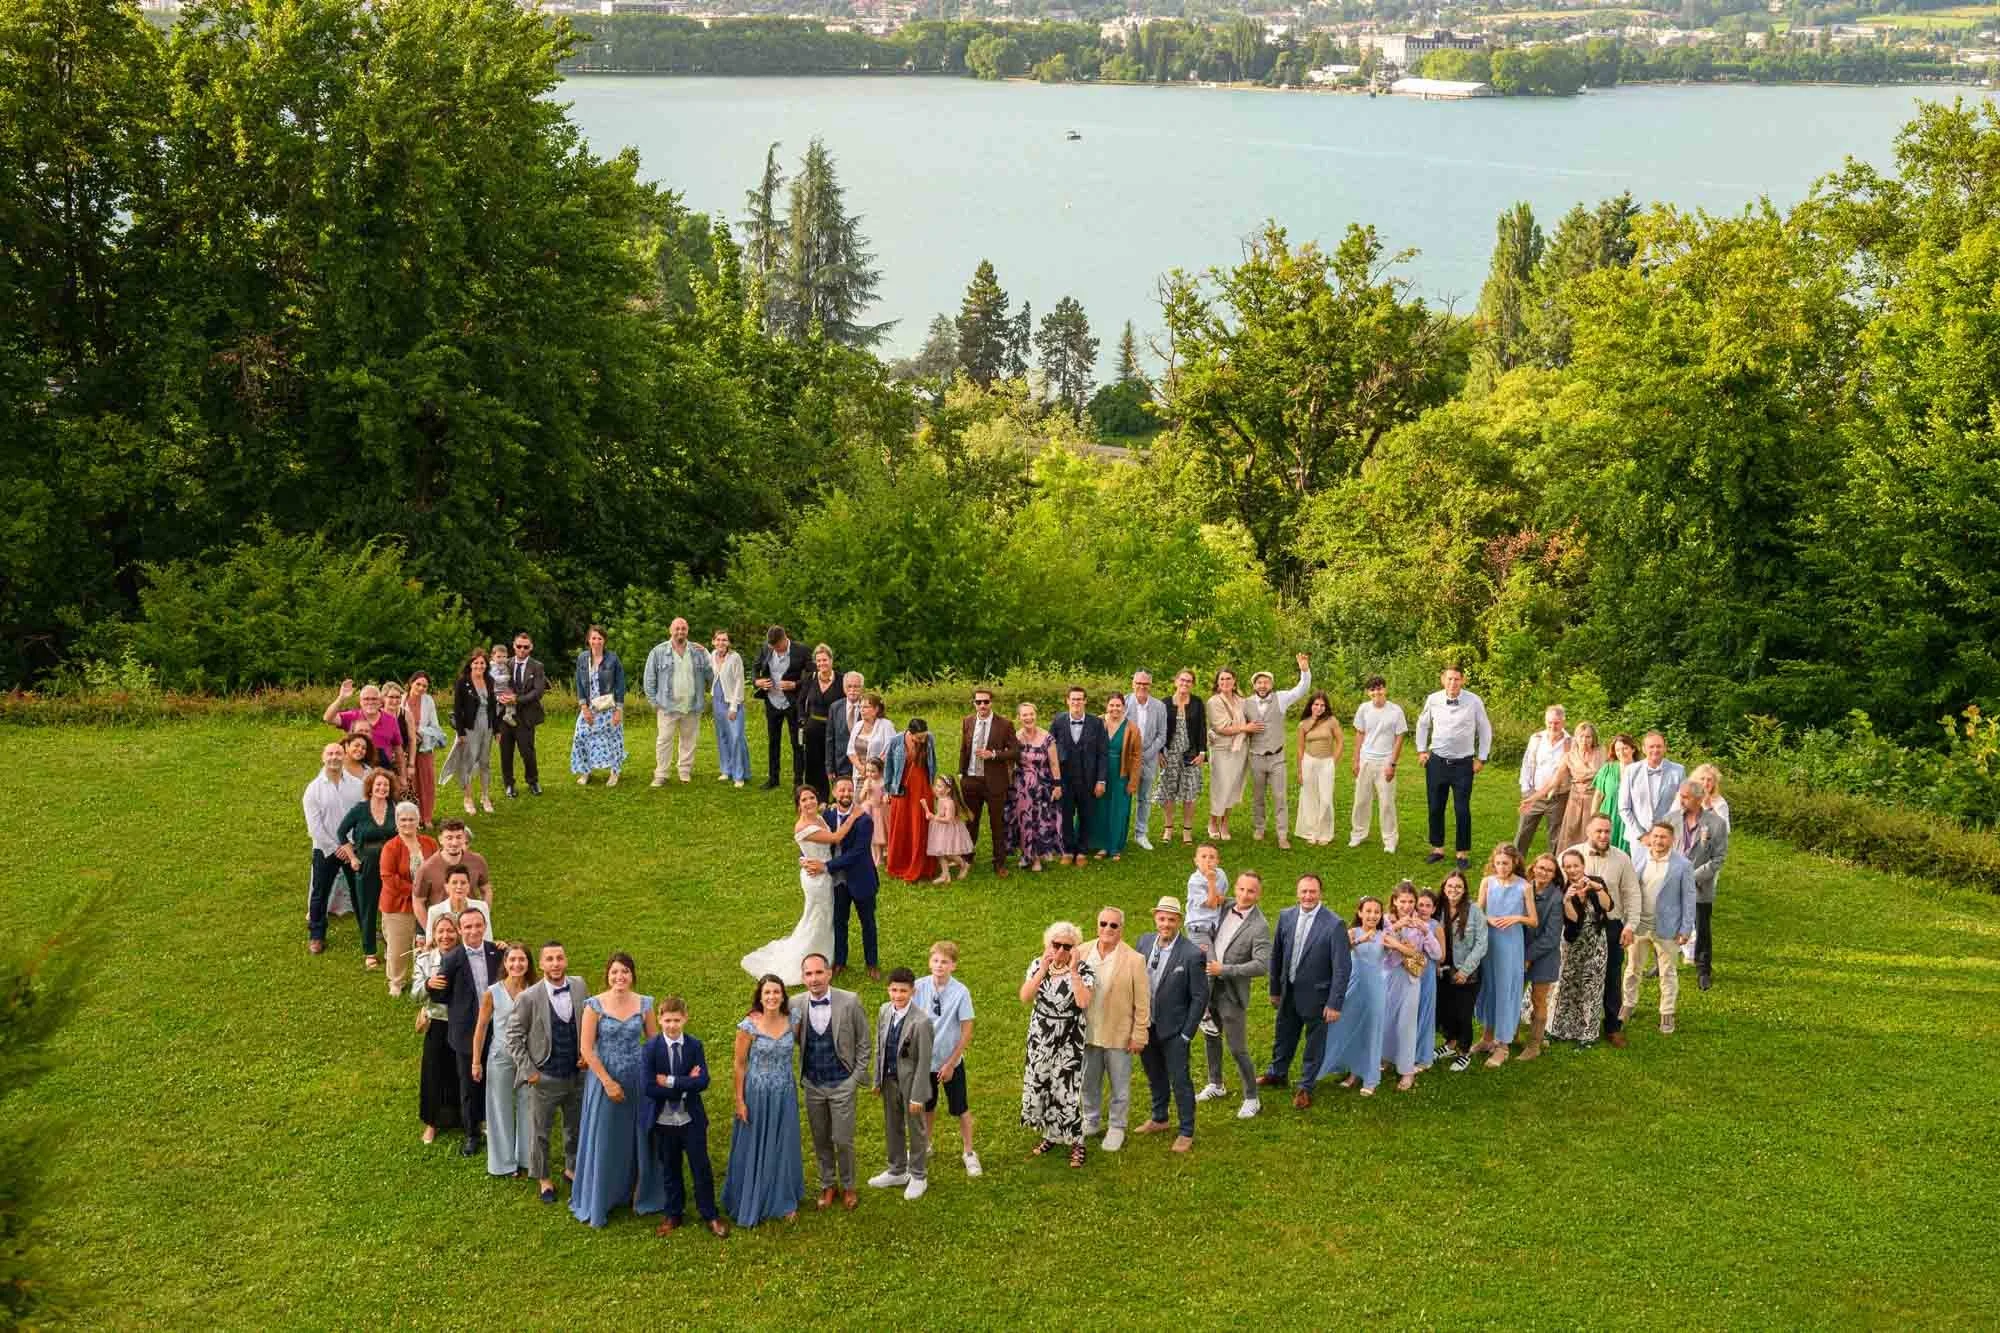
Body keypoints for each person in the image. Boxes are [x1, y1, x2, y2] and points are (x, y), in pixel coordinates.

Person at [570, 953, 665, 1227]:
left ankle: (638, 1190)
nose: (619, 977)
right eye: (614, 972)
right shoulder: (594, 1006)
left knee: (638, 1136)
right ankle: (603, 1196)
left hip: (637, 1081)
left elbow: (653, 1042)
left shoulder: (644, 1004)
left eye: (624, 972)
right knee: (606, 1136)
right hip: (604, 1082)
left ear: (632, 975)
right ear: (607, 976)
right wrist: (608, 1082)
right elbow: (586, 1049)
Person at [741, 787, 859, 986]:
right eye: (804, 800)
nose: (809, 802)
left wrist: (804, 858)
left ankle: (825, 955)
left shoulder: (819, 818)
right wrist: (853, 816)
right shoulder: (803, 827)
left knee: (825, 915)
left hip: (823, 871)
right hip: (816, 878)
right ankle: (812, 957)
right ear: (798, 805)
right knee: (817, 916)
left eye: (812, 797)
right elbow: (836, 838)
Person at [1258, 874, 1352, 1108]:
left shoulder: (1334, 924)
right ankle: (1277, 1073)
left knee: (1314, 1044)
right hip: (1288, 992)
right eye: (1304, 891)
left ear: (1320, 893)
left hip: (1318, 997)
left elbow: (1342, 968)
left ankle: (1306, 1087)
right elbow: (1276, 955)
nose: (1308, 896)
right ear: (1297, 892)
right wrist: (1275, 989)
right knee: (1283, 1036)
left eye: (1312, 892)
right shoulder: (1286, 916)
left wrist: (1335, 1003)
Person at [507, 941, 590, 1205]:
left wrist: (587, 1055)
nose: (555, 963)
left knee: (574, 1127)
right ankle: (544, 1179)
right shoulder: (528, 997)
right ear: (541, 964)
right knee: (540, 1131)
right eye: (550, 959)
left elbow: (589, 1023)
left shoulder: (579, 986)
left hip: (576, 1075)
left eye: (559, 958)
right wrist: (530, 1071)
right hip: (545, 1076)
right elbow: (513, 1036)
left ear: (566, 961)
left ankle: (572, 1169)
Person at [722, 975, 806, 1227]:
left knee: (783, 1142)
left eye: (776, 992)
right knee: (756, 1144)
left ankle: (783, 1198)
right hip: (757, 1094)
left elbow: (802, 1048)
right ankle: (753, 1195)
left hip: (784, 1092)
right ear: (760, 996)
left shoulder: (793, 1021)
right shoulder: (748, 1025)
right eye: (767, 992)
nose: (771, 997)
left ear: (783, 995)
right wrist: (739, 1100)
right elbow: (739, 1064)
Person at [791, 953, 870, 1211]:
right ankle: (828, 1184)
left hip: (842, 1082)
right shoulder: (795, 1004)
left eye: (818, 973)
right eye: (808, 974)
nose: (814, 979)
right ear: (803, 977)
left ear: (829, 973)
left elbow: (864, 1043)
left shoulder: (850, 1001)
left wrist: (855, 1077)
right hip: (813, 1084)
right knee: (820, 1136)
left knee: (843, 1138)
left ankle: (848, 1185)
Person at [642, 995, 727, 1237]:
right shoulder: (650, 1048)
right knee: (670, 1168)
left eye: (677, 1020)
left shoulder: (694, 1045)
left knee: (701, 1166)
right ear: (659, 1019)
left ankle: (709, 1214)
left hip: (691, 1119)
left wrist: (670, 1080)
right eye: (667, 1020)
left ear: (685, 1019)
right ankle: (673, 1213)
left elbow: (703, 1082)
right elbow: (649, 1087)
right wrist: (686, 1081)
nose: (672, 1025)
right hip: (664, 1120)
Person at [1131, 897, 1208, 1152]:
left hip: (1175, 1030)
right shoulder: (1143, 942)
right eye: (1162, 919)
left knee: (1180, 1080)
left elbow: (1200, 997)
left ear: (1179, 922)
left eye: (1171, 920)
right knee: (1154, 1075)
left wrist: (1187, 1033)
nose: (1166, 924)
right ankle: (1159, 1118)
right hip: (1147, 1025)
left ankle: (1187, 1130)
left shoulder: (1192, 954)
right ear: (1156, 918)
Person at [1019, 921, 1095, 1168]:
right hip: (1041, 1037)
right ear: (1048, 944)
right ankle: (1051, 1135)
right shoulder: (1037, 966)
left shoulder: (1084, 971)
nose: (1061, 950)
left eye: (1067, 946)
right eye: (1056, 944)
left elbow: (1084, 1002)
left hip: (1069, 1038)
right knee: (1042, 1084)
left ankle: (1077, 1143)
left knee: (1066, 1090)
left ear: (1075, 949)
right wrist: (1042, 970)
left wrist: (1072, 971)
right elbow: (1025, 996)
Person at [1197, 872, 1271, 1118]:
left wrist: (1225, 970)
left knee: (1238, 1048)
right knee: (1210, 1035)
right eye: (1241, 889)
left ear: (1258, 895)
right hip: (1209, 986)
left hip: (1231, 993)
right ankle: (1216, 1084)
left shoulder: (1259, 926)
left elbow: (1262, 965)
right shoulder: (1225, 905)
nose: (1244, 895)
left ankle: (1252, 1097)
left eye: (1250, 891)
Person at [432, 905, 504, 1156]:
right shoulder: (452, 959)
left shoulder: (497, 952)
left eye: (478, 925)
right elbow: (440, 994)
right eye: (468, 926)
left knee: (495, 1080)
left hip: (496, 1028)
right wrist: (432, 985)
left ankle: (495, 1125)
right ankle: (471, 1134)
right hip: (465, 1031)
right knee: (469, 1085)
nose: (474, 930)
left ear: (484, 926)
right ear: (461, 930)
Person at [1076, 907, 1147, 1153]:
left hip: (1119, 1034)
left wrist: (1139, 1034)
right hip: (1087, 1032)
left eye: (1113, 926)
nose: (1107, 929)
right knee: (1087, 1081)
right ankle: (1091, 1120)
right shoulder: (1081, 952)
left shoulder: (1134, 960)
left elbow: (1143, 1002)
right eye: (1103, 923)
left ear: (1121, 929)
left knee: (1120, 1085)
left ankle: (1117, 1126)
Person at [1568, 813, 1642, 1049]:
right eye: (1598, 831)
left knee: (1611, 975)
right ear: (1588, 831)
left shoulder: (1621, 859)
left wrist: (1630, 926)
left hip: (1611, 924)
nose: (1603, 835)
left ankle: (1612, 1026)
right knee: (1576, 972)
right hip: (1579, 924)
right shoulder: (1571, 855)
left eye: (1607, 831)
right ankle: (1575, 1022)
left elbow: (1632, 893)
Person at [1415, 664, 1493, 870]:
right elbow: (1423, 724)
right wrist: (1421, 750)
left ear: (1463, 680)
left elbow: (1485, 729)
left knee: (1462, 809)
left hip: (1463, 765)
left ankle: (1462, 853)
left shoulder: (1474, 701)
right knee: (1435, 807)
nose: (1453, 683)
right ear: (1443, 680)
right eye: (1449, 678)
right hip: (1437, 762)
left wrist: (1482, 758)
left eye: (1457, 679)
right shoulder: (1433, 699)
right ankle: (1437, 848)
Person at [913, 941, 980, 1178]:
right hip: (925, 1062)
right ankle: (926, 1144)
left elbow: (967, 1031)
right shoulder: (918, 987)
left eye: (945, 962)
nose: (939, 966)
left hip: (951, 1062)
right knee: (927, 1107)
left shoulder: (961, 992)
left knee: (960, 1108)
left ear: (954, 966)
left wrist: (951, 1063)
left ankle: (969, 1152)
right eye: (935, 961)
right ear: (930, 962)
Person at [1623, 822, 1697, 1034]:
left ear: (1672, 840)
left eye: (1663, 837)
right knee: (1632, 969)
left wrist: (1685, 929)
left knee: (1667, 972)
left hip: (1667, 928)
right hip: (1640, 925)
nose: (1658, 841)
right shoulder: (1639, 859)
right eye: (1655, 836)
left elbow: (1689, 899)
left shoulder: (1682, 865)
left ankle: (1667, 1013)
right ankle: (1628, 1004)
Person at [867, 967, 935, 1200]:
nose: (898, 995)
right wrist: (877, 1079)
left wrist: (918, 1096)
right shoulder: (884, 1011)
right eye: (894, 990)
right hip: (889, 1081)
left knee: (916, 1129)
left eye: (903, 991)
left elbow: (924, 1061)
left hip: (911, 1085)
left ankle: (918, 1175)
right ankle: (897, 1169)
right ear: (888, 990)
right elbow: (880, 1047)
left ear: (912, 991)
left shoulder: (922, 1021)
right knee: (892, 1125)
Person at [471, 942, 536, 1178]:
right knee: (499, 1107)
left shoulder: (535, 989)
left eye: (522, 960)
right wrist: (476, 1062)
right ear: (505, 963)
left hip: (529, 1058)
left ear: (528, 963)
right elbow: (481, 1028)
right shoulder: (493, 992)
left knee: (528, 1105)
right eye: (512, 960)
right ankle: (503, 1163)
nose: (517, 964)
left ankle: (527, 1158)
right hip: (500, 1056)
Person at [1315, 896, 1387, 1095]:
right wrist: (1358, 940)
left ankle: (1371, 1078)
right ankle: (1353, 1072)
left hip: (1375, 989)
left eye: (1377, 912)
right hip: (1352, 987)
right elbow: (1337, 954)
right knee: (1347, 1027)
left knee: (1371, 1031)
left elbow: (1409, 953)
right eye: (1369, 911)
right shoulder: (1351, 932)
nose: (1372, 915)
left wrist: (1399, 946)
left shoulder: (1384, 935)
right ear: (1360, 912)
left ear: (1381, 915)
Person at [1240, 655, 1313, 849]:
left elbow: (1302, 689)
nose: (1262, 685)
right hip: (1256, 756)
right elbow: (1236, 724)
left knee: (1280, 797)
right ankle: (1259, 827)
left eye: (1266, 682)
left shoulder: (1281, 698)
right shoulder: (1245, 703)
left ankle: (1282, 834)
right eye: (1259, 682)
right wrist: (1247, 727)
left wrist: (1304, 670)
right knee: (1258, 796)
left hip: (1277, 757)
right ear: (1254, 685)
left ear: (1271, 684)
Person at [1473, 843, 1533, 1067]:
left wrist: (1516, 918)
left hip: (1510, 944)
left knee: (1506, 989)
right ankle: (1487, 1038)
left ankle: (1504, 1045)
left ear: (1515, 862)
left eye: (1505, 863)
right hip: (1490, 942)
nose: (1501, 867)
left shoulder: (1524, 887)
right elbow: (1478, 910)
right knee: (1489, 987)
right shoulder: (1487, 883)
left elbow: (1533, 920)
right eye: (1497, 863)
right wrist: (1487, 919)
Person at [1377, 883, 1441, 1091]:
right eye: (1402, 901)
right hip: (1387, 979)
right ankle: (1385, 1058)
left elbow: (1437, 954)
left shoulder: (1421, 924)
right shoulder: (1385, 920)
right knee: (1386, 1021)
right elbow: (1375, 947)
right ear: (1394, 901)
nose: (1406, 905)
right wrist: (1394, 928)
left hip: (1410, 981)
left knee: (1406, 1025)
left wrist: (1426, 933)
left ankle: (1406, 1071)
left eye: (1411, 901)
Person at [304, 741, 364, 958]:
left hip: (353, 848)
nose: (334, 757)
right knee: (320, 893)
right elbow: (314, 828)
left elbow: (361, 818)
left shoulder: (357, 786)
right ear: (323, 757)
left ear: (344, 756)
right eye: (330, 753)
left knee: (360, 892)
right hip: (326, 850)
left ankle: (366, 929)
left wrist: (351, 847)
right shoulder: (313, 790)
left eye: (338, 753)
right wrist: (338, 847)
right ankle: (317, 935)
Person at [1547, 855, 1615, 1047]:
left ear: (1583, 866)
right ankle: (1558, 1029)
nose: (1572, 870)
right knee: (1565, 985)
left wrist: (1597, 888)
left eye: (1575, 866)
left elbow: (1608, 906)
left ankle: (1588, 1034)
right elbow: (1574, 920)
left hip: (1596, 944)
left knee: (1592, 987)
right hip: (1572, 944)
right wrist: (1567, 901)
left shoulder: (1597, 882)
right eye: (1567, 867)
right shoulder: (1561, 888)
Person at [336, 772, 396, 979]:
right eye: (378, 785)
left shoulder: (395, 808)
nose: (382, 788)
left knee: (391, 906)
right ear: (371, 787)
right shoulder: (360, 810)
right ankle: (369, 951)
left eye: (386, 785)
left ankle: (391, 946)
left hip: (391, 864)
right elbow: (341, 833)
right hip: (367, 864)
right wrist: (352, 857)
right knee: (368, 906)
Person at [643, 617, 712, 787]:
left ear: (687, 631)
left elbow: (711, 676)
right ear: (670, 630)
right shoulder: (658, 652)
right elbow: (649, 679)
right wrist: (654, 702)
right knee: (664, 740)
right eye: (677, 628)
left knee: (689, 740)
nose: (680, 632)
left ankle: (684, 771)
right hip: (667, 706)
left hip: (691, 704)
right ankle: (661, 774)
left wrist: (708, 654)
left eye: (684, 629)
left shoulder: (698, 651)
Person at [377, 799, 436, 996]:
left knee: (424, 941)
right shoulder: (390, 847)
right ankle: (396, 981)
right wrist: (416, 891)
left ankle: (421, 978)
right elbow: (388, 877)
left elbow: (437, 868)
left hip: (427, 903)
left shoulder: (430, 843)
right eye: (403, 820)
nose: (407, 824)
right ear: (397, 822)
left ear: (418, 821)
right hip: (398, 904)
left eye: (411, 819)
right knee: (398, 945)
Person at [413, 914, 462, 1145]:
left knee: (462, 1071)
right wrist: (427, 985)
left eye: (450, 931)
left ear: (458, 933)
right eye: (440, 931)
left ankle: (466, 1117)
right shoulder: (424, 959)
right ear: (433, 933)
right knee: (433, 1073)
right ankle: (431, 1123)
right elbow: (414, 996)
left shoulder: (467, 957)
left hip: (462, 1022)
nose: (446, 936)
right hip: (437, 1023)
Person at [957, 687, 1018, 876]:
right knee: (971, 822)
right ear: (974, 703)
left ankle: (999, 862)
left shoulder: (1005, 724)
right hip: (971, 780)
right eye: (978, 702)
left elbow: (1015, 751)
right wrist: (962, 773)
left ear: (992, 703)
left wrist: (993, 754)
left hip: (995, 782)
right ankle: (967, 857)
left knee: (997, 823)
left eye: (986, 702)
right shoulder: (968, 721)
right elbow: (964, 749)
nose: (982, 705)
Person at [824, 777, 879, 981]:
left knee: (868, 923)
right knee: (839, 921)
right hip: (837, 881)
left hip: (861, 879)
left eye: (849, 790)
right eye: (842, 790)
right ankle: (840, 961)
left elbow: (857, 853)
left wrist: (827, 866)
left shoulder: (864, 820)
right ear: (834, 792)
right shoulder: (827, 815)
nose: (846, 794)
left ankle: (872, 963)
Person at [1678, 779, 1730, 990]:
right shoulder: (1672, 820)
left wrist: (1691, 877)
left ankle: (1703, 969)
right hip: (1672, 882)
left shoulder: (1717, 824)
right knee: (1667, 923)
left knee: (1702, 926)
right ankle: (1661, 963)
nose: (1681, 801)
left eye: (1685, 797)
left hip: (1701, 885)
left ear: (1699, 799)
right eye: (1680, 796)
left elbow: (1718, 859)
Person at [1048, 685, 1109, 866]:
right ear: (1067, 701)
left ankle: (1082, 850)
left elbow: (1103, 754)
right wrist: (1054, 780)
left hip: (1088, 779)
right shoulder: (1058, 721)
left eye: (1079, 699)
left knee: (1086, 815)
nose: (1076, 702)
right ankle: (1067, 850)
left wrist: (1101, 780)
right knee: (1066, 815)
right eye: (1073, 699)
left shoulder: (1096, 723)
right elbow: (1050, 749)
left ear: (1085, 701)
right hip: (1065, 777)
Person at [1078, 693, 1140, 861]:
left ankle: (1114, 846)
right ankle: (1099, 844)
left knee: (1117, 811)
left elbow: (1136, 756)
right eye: (1112, 705)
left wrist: (1133, 782)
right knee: (1099, 809)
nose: (1115, 708)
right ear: (1107, 706)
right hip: (1099, 773)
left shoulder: (1131, 728)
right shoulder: (1097, 722)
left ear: (1123, 707)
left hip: (1121, 775)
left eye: (1118, 705)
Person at [1349, 676, 1407, 852]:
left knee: (1387, 802)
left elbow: (1399, 738)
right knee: (1361, 800)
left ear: (1385, 690)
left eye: (1380, 689)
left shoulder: (1396, 711)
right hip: (1366, 760)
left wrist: (1392, 764)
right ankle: (1358, 834)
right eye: (1373, 690)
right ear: (1368, 692)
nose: (1377, 692)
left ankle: (1390, 840)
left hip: (1385, 761)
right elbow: (1360, 734)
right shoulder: (1364, 709)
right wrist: (1356, 759)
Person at [1437, 870, 1487, 1071]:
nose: (1453, 890)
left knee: (1463, 1013)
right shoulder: (1438, 909)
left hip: (1467, 971)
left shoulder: (1474, 910)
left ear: (1464, 889)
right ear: (1444, 887)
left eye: (1458, 886)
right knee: (1446, 1010)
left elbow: (1482, 943)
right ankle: (1450, 1044)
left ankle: (1464, 1052)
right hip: (1443, 969)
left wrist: (1465, 971)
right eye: (1450, 886)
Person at [1518, 852, 1566, 1061]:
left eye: (1549, 870)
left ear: (1554, 875)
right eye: (1541, 867)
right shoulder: (1523, 888)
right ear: (1533, 868)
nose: (1543, 872)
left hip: (1544, 956)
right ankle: (1512, 1035)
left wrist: (1528, 957)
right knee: (1513, 995)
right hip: (1519, 951)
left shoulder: (1556, 898)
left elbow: (1552, 937)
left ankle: (1534, 1044)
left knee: (1539, 999)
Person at [410, 819, 491, 942]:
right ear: (440, 839)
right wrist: (432, 931)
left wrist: (482, 916)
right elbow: (418, 902)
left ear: (464, 838)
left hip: (470, 930)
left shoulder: (477, 861)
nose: (454, 842)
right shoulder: (427, 868)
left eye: (459, 837)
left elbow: (486, 890)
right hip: (445, 935)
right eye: (449, 838)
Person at [1006, 702, 1064, 873]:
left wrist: (1057, 785)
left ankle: (1037, 858)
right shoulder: (1015, 738)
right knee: (1023, 821)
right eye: (1024, 715)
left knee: (1039, 821)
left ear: (1036, 715)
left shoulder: (1047, 738)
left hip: (1042, 785)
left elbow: (1054, 764)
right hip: (1021, 787)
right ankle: (1025, 855)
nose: (1028, 718)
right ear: (1019, 718)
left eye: (1031, 714)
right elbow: (1010, 764)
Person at [443, 648, 500, 816]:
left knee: (484, 762)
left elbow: (492, 707)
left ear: (486, 665)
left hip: (487, 726)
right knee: (468, 762)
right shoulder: (463, 682)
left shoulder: (490, 680)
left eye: (482, 663)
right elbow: (457, 708)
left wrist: (496, 729)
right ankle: (467, 798)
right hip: (470, 726)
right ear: (471, 664)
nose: (479, 666)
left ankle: (485, 796)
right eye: (476, 663)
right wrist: (460, 732)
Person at [752, 625, 809, 791]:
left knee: (797, 742)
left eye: (777, 646)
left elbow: (812, 676)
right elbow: (755, 667)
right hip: (771, 701)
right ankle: (773, 778)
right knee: (773, 741)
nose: (774, 649)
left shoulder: (802, 650)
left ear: (785, 639)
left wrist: (795, 684)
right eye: (772, 647)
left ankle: (798, 781)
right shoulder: (766, 648)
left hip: (793, 703)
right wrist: (757, 681)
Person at [885, 719, 941, 884]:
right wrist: (889, 789)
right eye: (919, 738)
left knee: (920, 825)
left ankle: (923, 865)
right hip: (901, 788)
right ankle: (900, 864)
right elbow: (889, 765)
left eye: (924, 737)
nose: (922, 740)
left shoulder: (929, 738)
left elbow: (932, 763)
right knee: (901, 825)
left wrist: (932, 786)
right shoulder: (896, 741)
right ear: (909, 732)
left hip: (922, 787)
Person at [570, 625, 627, 787]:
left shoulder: (613, 659)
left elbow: (620, 685)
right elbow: (579, 684)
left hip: (609, 707)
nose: (596, 641)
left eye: (600, 638)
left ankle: (615, 772)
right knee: (580, 737)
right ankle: (585, 771)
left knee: (613, 739)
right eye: (593, 638)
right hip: (589, 707)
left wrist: (619, 710)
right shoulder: (582, 658)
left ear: (604, 641)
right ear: (589, 640)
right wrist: (584, 708)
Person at [1155, 669, 1207, 845]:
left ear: (1192, 684)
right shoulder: (1165, 704)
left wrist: (1202, 753)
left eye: (1189, 681)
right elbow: (1159, 730)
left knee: (1189, 792)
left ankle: (1187, 830)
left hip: (1191, 754)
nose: (1185, 684)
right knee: (1169, 791)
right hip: (1169, 753)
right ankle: (1168, 828)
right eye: (1182, 680)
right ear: (1176, 681)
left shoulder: (1198, 703)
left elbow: (1202, 728)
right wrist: (1159, 751)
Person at [1617, 731, 1686, 861]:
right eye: (1651, 746)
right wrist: (1642, 835)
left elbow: (1681, 805)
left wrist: (1664, 833)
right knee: (1639, 877)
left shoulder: (1678, 771)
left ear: (1665, 748)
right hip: (1639, 838)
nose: (1655, 750)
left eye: (1659, 746)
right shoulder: (1631, 771)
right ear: (1643, 749)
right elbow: (1624, 807)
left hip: (1667, 836)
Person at [496, 632, 548, 798]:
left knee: (527, 752)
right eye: (519, 646)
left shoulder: (537, 666)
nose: (522, 650)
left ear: (531, 647)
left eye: (526, 647)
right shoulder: (505, 664)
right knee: (506, 752)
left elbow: (538, 692)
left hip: (526, 716)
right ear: (514, 646)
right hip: (505, 717)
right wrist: (500, 697)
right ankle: (509, 784)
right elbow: (495, 684)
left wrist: (517, 699)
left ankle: (533, 781)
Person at [1514, 705, 1572, 855]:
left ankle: (1553, 871)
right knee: (1523, 834)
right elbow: (1526, 764)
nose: (1553, 726)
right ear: (1545, 721)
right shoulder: (1536, 738)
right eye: (1550, 722)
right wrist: (1526, 790)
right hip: (1534, 794)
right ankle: (1515, 869)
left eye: (1557, 723)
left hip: (1559, 796)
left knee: (1556, 838)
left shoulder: (1570, 742)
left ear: (1563, 722)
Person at [1203, 669, 1253, 841]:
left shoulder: (1242, 700)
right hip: (1222, 749)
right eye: (1222, 679)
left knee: (1233, 786)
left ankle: (1225, 823)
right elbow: (1221, 728)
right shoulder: (1213, 702)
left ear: (1234, 680)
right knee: (1220, 786)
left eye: (1228, 678)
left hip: (1240, 748)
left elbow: (1252, 718)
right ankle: (1212, 822)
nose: (1225, 682)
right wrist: (1245, 728)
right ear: (1217, 682)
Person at [1123, 671, 1168, 851]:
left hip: (1148, 759)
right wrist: (1132, 755)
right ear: (1133, 683)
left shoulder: (1159, 706)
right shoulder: (1124, 702)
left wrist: (1147, 754)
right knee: (1123, 797)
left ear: (1150, 685)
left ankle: (1141, 834)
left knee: (1144, 798)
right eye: (1138, 683)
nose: (1142, 686)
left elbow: (1162, 735)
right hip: (1125, 759)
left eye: (1146, 684)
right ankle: (1121, 834)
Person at [324, 680, 405, 778]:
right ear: (360, 701)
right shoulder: (352, 716)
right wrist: (341, 698)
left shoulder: (391, 720)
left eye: (374, 699)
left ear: (380, 701)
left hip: (382, 771)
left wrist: (403, 777)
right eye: (366, 699)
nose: (370, 702)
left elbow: (398, 751)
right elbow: (328, 718)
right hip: (355, 770)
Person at [1294, 690, 1344, 847]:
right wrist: (1300, 769)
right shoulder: (1303, 724)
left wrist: (1333, 761)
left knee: (1326, 798)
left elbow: (1340, 742)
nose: (1319, 707)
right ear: (1311, 706)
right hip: (1309, 762)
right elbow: (1300, 748)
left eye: (1323, 705)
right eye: (1316, 704)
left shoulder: (1332, 721)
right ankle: (1311, 832)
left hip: (1326, 762)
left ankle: (1325, 833)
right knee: (1309, 797)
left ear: (1326, 707)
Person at [403, 672, 446, 825]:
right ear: (411, 683)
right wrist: (411, 733)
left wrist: (419, 730)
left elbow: (435, 727)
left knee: (426, 783)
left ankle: (426, 817)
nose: (421, 688)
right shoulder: (401, 700)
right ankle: (413, 818)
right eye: (418, 684)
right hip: (405, 748)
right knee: (410, 783)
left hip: (425, 748)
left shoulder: (428, 701)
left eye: (425, 686)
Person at [1555, 722, 1606, 851]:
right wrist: (1537, 796)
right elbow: (1556, 778)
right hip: (1575, 798)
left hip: (1595, 798)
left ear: (1593, 738)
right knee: (1571, 833)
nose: (1584, 740)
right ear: (1576, 738)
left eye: (1588, 737)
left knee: (1591, 831)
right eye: (1581, 736)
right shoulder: (1570, 755)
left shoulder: (1601, 752)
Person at [709, 629, 750, 787]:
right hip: (717, 700)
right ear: (713, 641)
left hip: (732, 702)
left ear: (729, 643)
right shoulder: (712, 655)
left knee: (737, 737)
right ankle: (726, 770)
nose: (721, 643)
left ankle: (740, 774)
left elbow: (740, 682)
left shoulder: (735, 658)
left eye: (724, 640)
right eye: (718, 639)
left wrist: (734, 707)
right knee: (723, 737)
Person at [799, 644, 839, 802]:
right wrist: (803, 719)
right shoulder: (810, 678)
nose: (822, 664)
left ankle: (837, 797)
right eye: (819, 661)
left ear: (831, 660)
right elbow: (801, 701)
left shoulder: (841, 680)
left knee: (833, 763)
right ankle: (818, 797)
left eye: (825, 660)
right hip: (813, 727)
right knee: (814, 764)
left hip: (834, 729)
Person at [1411, 888, 1445, 1074]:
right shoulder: (1409, 923)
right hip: (1408, 974)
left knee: (1424, 1013)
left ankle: (1423, 1057)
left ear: (1434, 908)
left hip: (1427, 974)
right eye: (1420, 905)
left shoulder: (1435, 926)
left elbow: (1442, 956)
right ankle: (1405, 1053)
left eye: (1428, 906)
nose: (1423, 909)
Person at [422, 865, 492, 944]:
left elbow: (488, 938)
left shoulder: (481, 907)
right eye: (454, 883)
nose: (459, 886)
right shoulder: (434, 911)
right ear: (446, 887)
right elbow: (430, 942)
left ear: (468, 886)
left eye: (463, 883)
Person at [924, 774, 974, 882]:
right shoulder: (940, 797)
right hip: (939, 829)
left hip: (949, 829)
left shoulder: (949, 803)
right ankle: (945, 874)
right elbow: (930, 789)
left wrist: (933, 817)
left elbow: (948, 820)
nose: (936, 788)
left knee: (948, 853)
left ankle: (964, 864)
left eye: (940, 786)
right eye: (936, 785)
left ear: (948, 790)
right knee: (939, 852)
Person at [1594, 733, 1638, 852]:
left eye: (1625, 748)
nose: (1621, 752)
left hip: (1629, 818)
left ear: (1633, 749)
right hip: (1608, 814)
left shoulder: (1641, 770)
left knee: (1627, 853)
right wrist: (1593, 819)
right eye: (1618, 749)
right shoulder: (1607, 768)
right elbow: (1598, 796)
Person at [1184, 842, 1228, 960]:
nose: (1207, 860)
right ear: (1196, 861)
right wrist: (1211, 881)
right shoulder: (1194, 881)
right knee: (1209, 962)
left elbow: (1222, 898)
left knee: (1222, 959)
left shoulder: (1221, 874)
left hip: (1214, 926)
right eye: (1203, 857)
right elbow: (1212, 904)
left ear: (1217, 861)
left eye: (1212, 857)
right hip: (1198, 929)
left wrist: (1215, 897)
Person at [826, 670, 866, 786]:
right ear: (844, 688)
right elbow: (830, 739)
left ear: (862, 688)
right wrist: (830, 767)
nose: (852, 690)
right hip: (841, 763)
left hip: (862, 763)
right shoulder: (835, 707)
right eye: (849, 686)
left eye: (856, 687)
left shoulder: (868, 707)